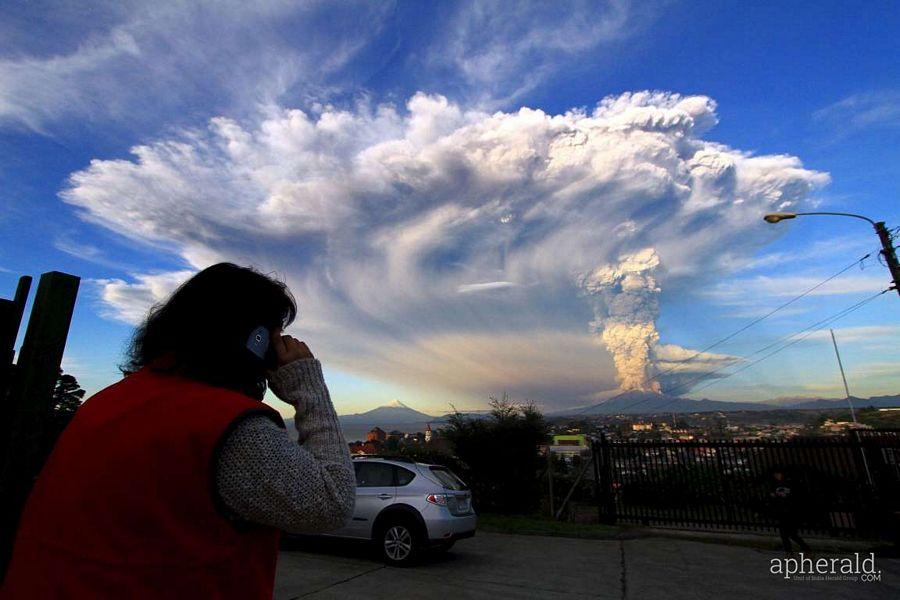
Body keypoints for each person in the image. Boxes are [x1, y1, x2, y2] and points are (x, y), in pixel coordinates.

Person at [1, 263, 355, 599]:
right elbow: (331, 503)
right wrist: (308, 386)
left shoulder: (105, 404)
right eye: (274, 335)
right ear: (255, 340)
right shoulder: (228, 426)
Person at [769, 468, 810, 555]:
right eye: (775, 474)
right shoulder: (775, 484)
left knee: (791, 534)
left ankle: (805, 549)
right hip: (781, 511)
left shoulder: (790, 483)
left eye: (778, 474)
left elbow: (794, 496)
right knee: (784, 534)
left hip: (791, 512)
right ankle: (790, 552)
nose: (776, 476)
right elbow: (773, 496)